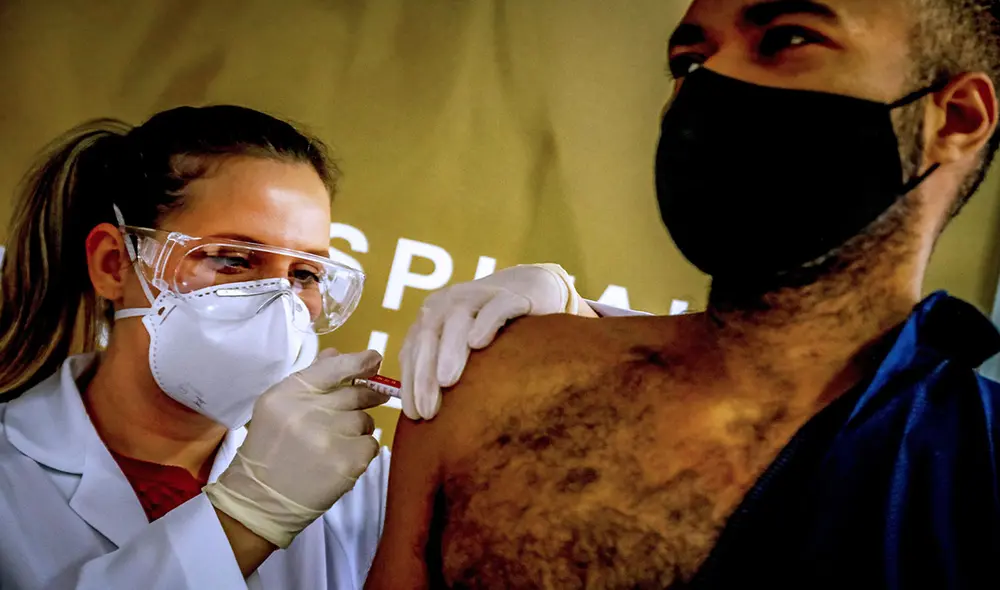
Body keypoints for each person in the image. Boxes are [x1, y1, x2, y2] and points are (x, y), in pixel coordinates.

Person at [368, 0, 1000, 588]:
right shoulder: (496, 387)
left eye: (787, 38)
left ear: (957, 117)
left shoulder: (980, 464)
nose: (710, 82)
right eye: (689, 62)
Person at [0, 106, 602, 589]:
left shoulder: (361, 484)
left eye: (306, 274)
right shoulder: (11, 474)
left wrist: (581, 330)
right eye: (232, 259)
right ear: (114, 265)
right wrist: (245, 516)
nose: (279, 300)